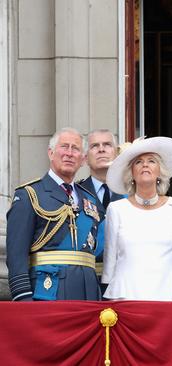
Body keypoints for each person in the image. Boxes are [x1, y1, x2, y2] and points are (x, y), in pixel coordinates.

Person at [6, 127, 102, 301]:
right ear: (51, 153)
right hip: (47, 292)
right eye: (64, 147)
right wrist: (23, 297)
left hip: (88, 293)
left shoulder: (91, 200)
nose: (70, 153)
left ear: (83, 159)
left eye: (76, 149)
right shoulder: (29, 195)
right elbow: (16, 254)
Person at [102, 136, 172, 301]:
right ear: (131, 173)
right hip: (127, 297)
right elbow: (110, 262)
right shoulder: (116, 209)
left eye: (151, 161)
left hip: (169, 295)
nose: (145, 164)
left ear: (160, 170)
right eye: (138, 162)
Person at [77, 129, 122, 281]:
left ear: (116, 153)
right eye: (94, 146)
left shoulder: (131, 195)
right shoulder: (75, 194)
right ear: (85, 158)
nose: (101, 149)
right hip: (86, 279)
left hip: (123, 280)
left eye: (107, 145)